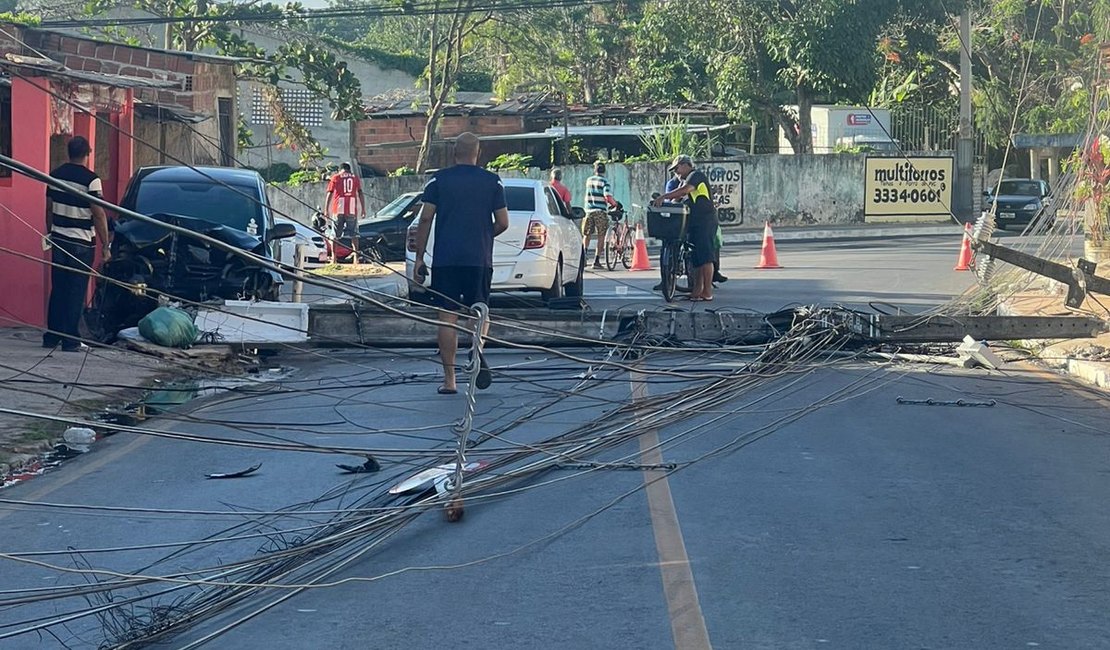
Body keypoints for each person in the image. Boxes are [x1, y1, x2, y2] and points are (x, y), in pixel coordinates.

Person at [412, 132, 509, 395]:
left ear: (454, 152)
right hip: (478, 258)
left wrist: (419, 257)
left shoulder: (438, 180)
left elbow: (425, 219)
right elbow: (503, 222)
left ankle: (449, 380)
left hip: (446, 260)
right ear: (478, 153)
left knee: (447, 317)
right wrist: (484, 234)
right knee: (479, 311)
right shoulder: (492, 182)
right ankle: (476, 351)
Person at [43, 136, 110, 351]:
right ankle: (70, 340)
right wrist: (106, 245)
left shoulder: (55, 176)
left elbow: (49, 208)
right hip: (81, 242)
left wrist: (51, 232)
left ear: (68, 152)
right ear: (88, 153)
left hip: (60, 240)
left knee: (59, 288)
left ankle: (52, 336)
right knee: (76, 290)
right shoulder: (92, 180)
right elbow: (98, 214)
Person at [651, 154, 718, 301]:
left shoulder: (696, 175)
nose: (676, 173)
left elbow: (685, 190)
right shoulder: (684, 180)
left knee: (705, 258)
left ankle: (707, 292)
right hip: (693, 222)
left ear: (686, 165)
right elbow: (677, 199)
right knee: (697, 258)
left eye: (677, 169)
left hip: (705, 221)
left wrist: (664, 197)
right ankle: (697, 291)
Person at [324, 162, 365, 262]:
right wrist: (363, 209)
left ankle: (334, 258)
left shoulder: (336, 177)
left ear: (340, 169)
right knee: (354, 234)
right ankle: (356, 258)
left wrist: (326, 209)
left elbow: (330, 194)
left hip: (338, 208)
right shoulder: (355, 178)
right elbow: (360, 193)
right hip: (351, 209)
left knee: (335, 235)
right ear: (349, 169)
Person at [582, 162, 617, 269]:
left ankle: (583, 258)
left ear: (595, 170)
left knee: (586, 235)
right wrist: (615, 204)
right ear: (604, 170)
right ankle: (596, 261)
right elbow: (607, 196)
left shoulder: (589, 180)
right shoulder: (605, 182)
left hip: (588, 211)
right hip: (600, 212)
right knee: (601, 236)